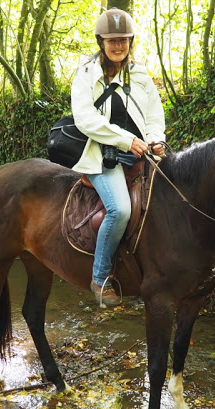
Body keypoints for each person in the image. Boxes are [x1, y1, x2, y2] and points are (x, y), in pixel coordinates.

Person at [71, 8, 166, 307]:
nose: (118, 45)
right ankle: (100, 279)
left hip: (142, 152)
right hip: (102, 155)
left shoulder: (139, 75)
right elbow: (84, 118)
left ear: (130, 41)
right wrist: (127, 140)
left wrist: (156, 139)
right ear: (101, 41)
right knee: (121, 210)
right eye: (112, 40)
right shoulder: (86, 73)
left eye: (123, 39)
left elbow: (154, 114)